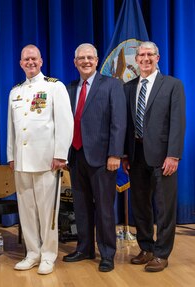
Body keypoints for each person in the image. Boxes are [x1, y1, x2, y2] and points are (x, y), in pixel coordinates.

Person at [7, 44, 73, 275]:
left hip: (47, 161)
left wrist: (60, 155)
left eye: (34, 58)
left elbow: (65, 122)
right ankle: (32, 253)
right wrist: (11, 156)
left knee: (47, 212)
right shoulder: (15, 92)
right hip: (22, 162)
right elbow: (11, 128)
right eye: (26, 59)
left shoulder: (54, 87)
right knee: (26, 211)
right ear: (20, 63)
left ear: (41, 61)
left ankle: (48, 255)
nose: (30, 62)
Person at [122, 41, 186, 272]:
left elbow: (178, 122)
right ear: (136, 60)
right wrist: (125, 154)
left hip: (163, 157)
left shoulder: (172, 85)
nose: (146, 58)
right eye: (141, 55)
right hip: (136, 156)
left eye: (150, 54)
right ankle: (146, 247)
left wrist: (174, 155)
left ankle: (161, 253)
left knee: (164, 206)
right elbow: (127, 125)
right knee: (140, 206)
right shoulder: (128, 87)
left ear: (157, 58)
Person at [63, 43, 126, 272]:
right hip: (76, 156)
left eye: (90, 57)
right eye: (81, 58)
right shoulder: (69, 88)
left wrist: (115, 154)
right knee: (80, 207)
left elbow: (118, 123)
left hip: (103, 158)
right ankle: (85, 248)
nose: (86, 61)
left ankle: (107, 253)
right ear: (75, 62)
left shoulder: (112, 85)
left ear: (97, 60)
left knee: (104, 208)